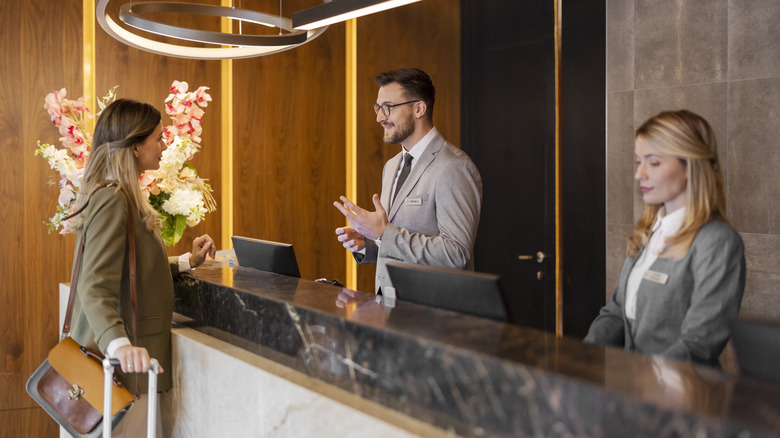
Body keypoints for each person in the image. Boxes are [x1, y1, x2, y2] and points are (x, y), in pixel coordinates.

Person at [67, 99, 216, 435]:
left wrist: (187, 261)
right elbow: (95, 284)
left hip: (126, 370)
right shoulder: (112, 198)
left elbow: (131, 269)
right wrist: (119, 345)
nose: (165, 146)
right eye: (159, 138)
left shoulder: (124, 195)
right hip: (118, 372)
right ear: (135, 146)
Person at [584, 109, 745, 368]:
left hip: (683, 397)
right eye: (639, 162)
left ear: (690, 166)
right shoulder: (648, 232)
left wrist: (647, 382)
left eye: (654, 162)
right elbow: (615, 313)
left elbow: (699, 343)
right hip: (632, 392)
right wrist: (581, 360)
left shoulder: (718, 242)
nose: (640, 174)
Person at [334, 68, 482, 293]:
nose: (379, 117)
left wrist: (383, 233)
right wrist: (370, 243)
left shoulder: (454, 167)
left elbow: (456, 253)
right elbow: (396, 241)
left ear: (419, 109)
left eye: (388, 108)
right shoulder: (392, 166)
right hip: (391, 307)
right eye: (378, 108)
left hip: (433, 316)